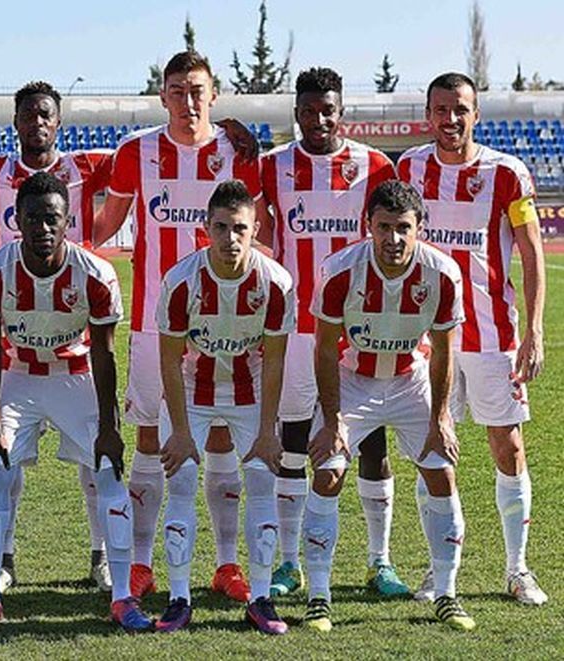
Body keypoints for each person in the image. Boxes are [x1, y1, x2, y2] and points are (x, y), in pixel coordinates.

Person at [93, 50, 263, 602]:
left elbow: (260, 232)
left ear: (214, 94)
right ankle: (141, 563)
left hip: (226, 323)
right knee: (150, 438)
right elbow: (103, 227)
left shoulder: (238, 153)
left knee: (218, 437)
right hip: (153, 322)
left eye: (197, 90)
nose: (188, 101)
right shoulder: (136, 152)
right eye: (177, 91)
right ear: (162, 96)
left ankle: (227, 564)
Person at [0, 172, 152, 633]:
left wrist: (109, 426)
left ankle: (121, 595)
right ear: (17, 220)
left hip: (75, 375)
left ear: (68, 222)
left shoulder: (96, 274)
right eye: (33, 219)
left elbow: (104, 354)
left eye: (52, 219)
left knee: (107, 472)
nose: (43, 228)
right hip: (18, 376)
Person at [398, 72, 548, 606]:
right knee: (433, 449)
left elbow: (531, 252)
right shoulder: (409, 168)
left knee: (507, 445)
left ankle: (518, 568)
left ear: (475, 115)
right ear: (428, 115)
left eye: (460, 109)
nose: (450, 119)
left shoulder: (507, 172)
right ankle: (440, 570)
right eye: (441, 109)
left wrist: (533, 330)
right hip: (426, 341)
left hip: (492, 336)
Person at [259, 67, 407, 598]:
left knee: (372, 444)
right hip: (298, 329)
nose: (319, 120)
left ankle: (379, 562)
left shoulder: (375, 165)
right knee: (294, 442)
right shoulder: (272, 166)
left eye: (328, 110)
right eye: (309, 111)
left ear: (341, 112)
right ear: (296, 114)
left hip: (362, 327)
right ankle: (289, 562)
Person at [304, 180, 474, 632]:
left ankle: (446, 593)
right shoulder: (340, 271)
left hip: (409, 380)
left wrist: (441, 418)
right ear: (369, 226)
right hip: (352, 380)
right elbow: (324, 349)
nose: (393, 239)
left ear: (420, 228)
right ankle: (318, 597)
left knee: (441, 471)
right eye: (384, 227)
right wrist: (331, 420)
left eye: (403, 228)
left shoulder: (442, 273)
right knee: (328, 472)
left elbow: (444, 350)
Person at [155, 180, 294, 634]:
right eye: (221, 227)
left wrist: (268, 431)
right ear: (206, 228)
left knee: (261, 479)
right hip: (191, 388)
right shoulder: (181, 281)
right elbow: (170, 360)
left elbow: (274, 360)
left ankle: (260, 598)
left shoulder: (276, 282)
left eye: (240, 228)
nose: (230, 238)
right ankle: (179, 598)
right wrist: (180, 432)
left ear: (255, 230)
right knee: (181, 480)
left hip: (248, 389)